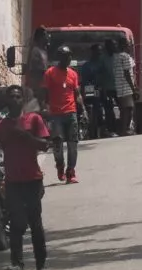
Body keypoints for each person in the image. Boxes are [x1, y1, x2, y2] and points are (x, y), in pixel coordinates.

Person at [0, 87, 53, 270]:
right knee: (17, 224)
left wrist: (26, 136)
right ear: (7, 101)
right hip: (13, 181)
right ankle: (17, 265)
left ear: (23, 99)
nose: (15, 99)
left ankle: (40, 263)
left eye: (18, 97)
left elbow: (45, 145)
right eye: (11, 97)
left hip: (33, 179)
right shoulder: (1, 127)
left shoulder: (34, 120)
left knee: (35, 223)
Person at [42, 46, 84, 181]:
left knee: (73, 144)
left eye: (70, 56)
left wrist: (83, 110)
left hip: (71, 112)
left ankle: (71, 171)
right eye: (66, 57)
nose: (69, 59)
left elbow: (77, 94)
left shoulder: (73, 74)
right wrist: (44, 109)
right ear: (59, 58)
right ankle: (60, 166)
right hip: (56, 115)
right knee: (57, 144)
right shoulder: (50, 73)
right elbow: (44, 93)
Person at [109, 37, 138, 133]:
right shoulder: (124, 56)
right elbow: (127, 73)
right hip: (125, 87)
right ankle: (124, 129)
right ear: (124, 45)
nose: (129, 45)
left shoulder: (115, 56)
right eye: (127, 44)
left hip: (118, 86)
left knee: (125, 109)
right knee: (127, 109)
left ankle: (124, 129)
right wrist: (133, 88)